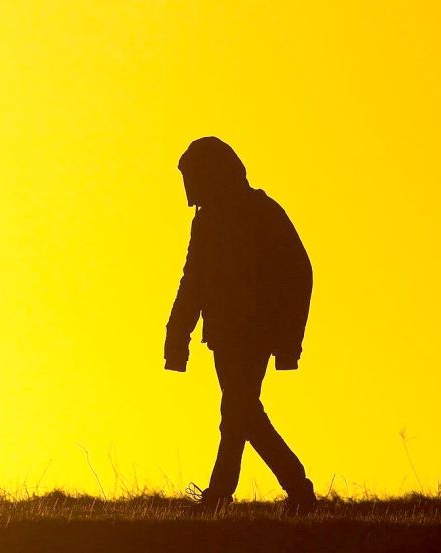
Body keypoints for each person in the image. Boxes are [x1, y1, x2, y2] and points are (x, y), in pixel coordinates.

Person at [164, 136, 316, 514]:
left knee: (237, 412)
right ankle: (295, 488)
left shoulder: (261, 212)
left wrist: (288, 340)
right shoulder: (207, 221)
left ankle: (225, 494)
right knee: (242, 413)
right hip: (224, 336)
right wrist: (176, 337)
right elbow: (194, 280)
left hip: (256, 334)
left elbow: (299, 273)